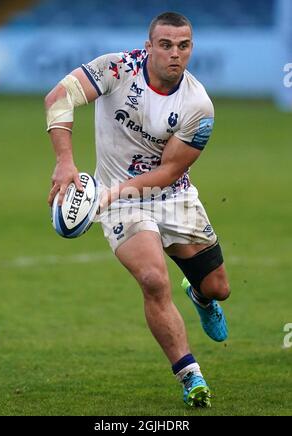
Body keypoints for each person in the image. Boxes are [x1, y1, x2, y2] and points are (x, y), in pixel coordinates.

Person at [45, 12, 230, 408]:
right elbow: (59, 98)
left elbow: (169, 171)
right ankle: (190, 375)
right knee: (152, 278)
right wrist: (65, 162)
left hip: (173, 198)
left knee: (219, 288)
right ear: (149, 47)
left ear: (191, 48)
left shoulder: (199, 105)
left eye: (183, 46)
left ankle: (200, 296)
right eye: (165, 45)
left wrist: (113, 194)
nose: (174, 54)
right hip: (120, 204)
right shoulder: (117, 68)